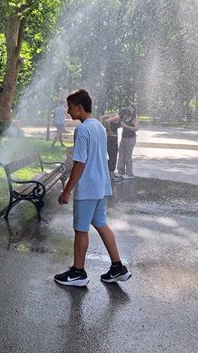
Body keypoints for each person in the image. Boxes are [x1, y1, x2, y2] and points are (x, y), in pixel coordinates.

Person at [55, 89, 131, 287]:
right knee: (101, 224)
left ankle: (78, 272)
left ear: (80, 107)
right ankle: (118, 267)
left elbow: (79, 163)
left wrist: (66, 191)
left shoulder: (83, 130)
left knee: (81, 229)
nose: (69, 112)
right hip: (102, 186)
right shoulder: (98, 125)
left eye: (70, 108)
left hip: (88, 188)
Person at [117, 105, 139, 180]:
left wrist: (126, 126)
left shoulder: (135, 117)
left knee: (128, 155)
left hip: (131, 138)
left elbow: (136, 128)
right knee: (121, 154)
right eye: (128, 108)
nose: (129, 109)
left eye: (131, 108)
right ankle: (121, 171)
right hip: (124, 138)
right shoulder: (125, 116)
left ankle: (129, 174)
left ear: (134, 110)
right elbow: (121, 124)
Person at [99, 112, 122, 183]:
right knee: (113, 156)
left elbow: (101, 117)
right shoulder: (119, 116)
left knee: (110, 156)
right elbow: (106, 121)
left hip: (109, 138)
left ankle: (108, 175)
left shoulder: (115, 115)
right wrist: (109, 131)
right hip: (112, 138)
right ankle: (111, 177)